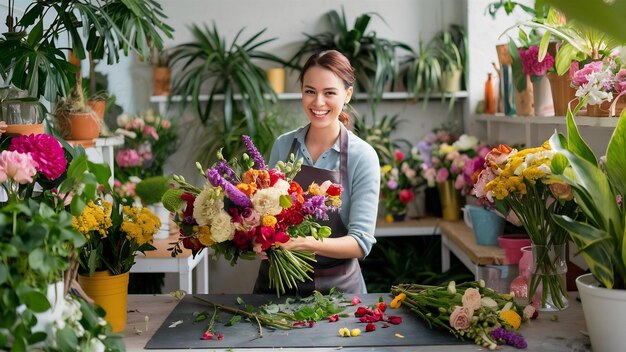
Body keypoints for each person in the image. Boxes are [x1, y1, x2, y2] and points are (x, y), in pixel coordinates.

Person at [253, 50, 380, 295]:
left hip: (338, 293)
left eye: (329, 93)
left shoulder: (362, 156)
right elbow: (264, 213)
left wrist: (306, 244)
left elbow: (361, 243)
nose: (318, 102)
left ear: (347, 94)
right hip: (276, 288)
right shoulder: (283, 145)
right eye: (310, 91)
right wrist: (256, 237)